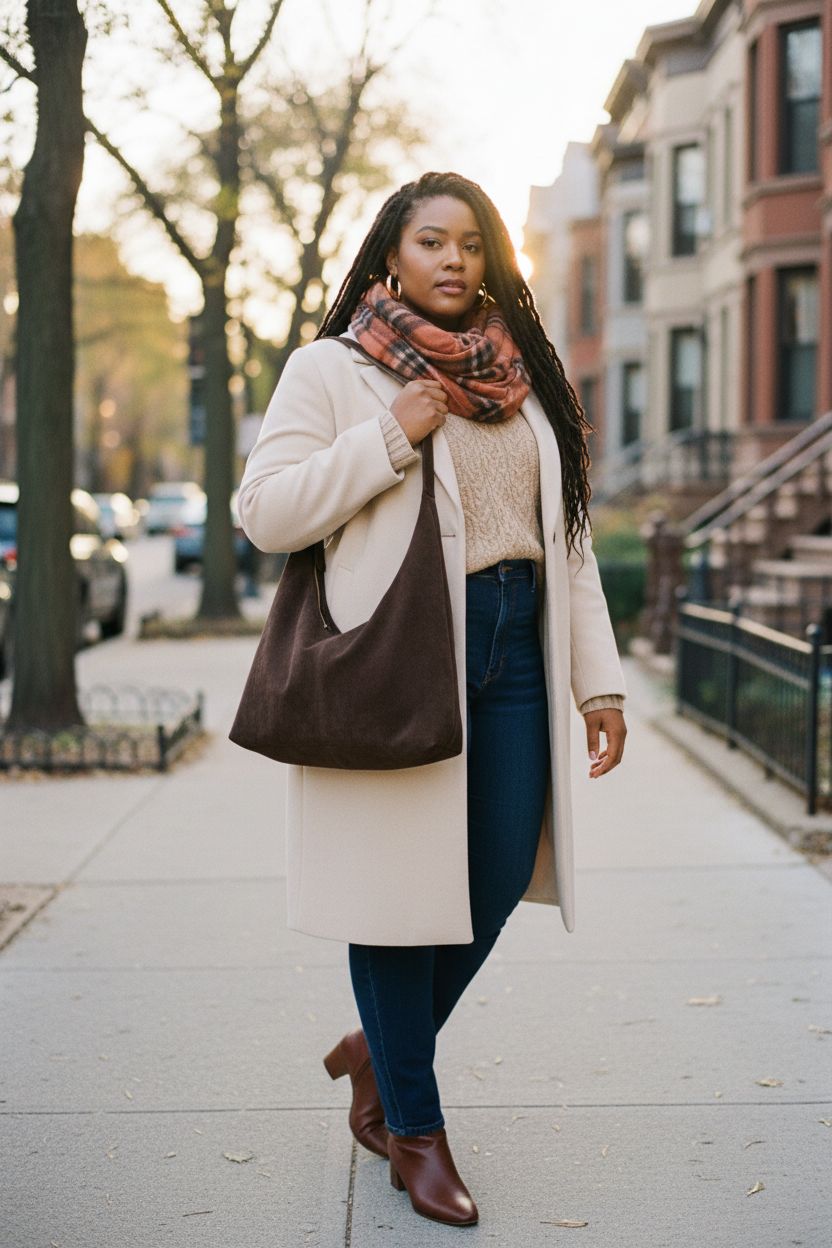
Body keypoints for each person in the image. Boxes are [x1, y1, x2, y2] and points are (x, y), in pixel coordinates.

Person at [236, 171, 627, 1228]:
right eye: (431, 242)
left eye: (472, 244)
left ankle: (379, 1048)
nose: (454, 261)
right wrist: (389, 435)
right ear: (389, 256)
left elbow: (569, 543)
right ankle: (414, 1127)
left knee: (497, 873)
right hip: (400, 656)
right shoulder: (333, 370)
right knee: (395, 903)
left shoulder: (523, 377)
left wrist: (599, 680)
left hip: (517, 648)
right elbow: (266, 513)